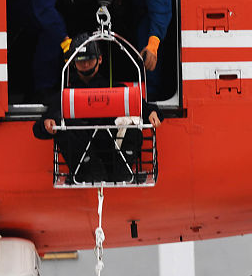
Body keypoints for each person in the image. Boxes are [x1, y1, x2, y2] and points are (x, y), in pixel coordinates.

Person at [33, 34, 161, 184]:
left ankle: (121, 170)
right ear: (73, 63)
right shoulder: (66, 96)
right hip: (83, 165)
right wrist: (47, 125)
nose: (86, 65)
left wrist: (153, 113)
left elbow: (143, 107)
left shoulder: (115, 89)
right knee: (64, 125)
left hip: (115, 158)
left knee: (131, 122)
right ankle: (92, 169)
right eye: (81, 61)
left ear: (99, 59)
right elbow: (39, 128)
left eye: (89, 60)